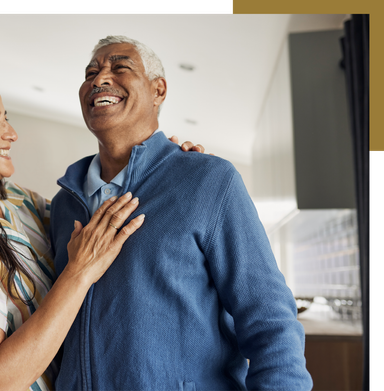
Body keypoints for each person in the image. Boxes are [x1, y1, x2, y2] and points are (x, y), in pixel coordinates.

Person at [0, 71, 201, 391]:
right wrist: (78, 273)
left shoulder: (19, 203)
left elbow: (99, 227)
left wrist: (169, 167)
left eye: (6, 117)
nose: (11, 133)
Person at [49, 36, 313, 390]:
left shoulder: (210, 180)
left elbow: (271, 321)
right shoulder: (64, 204)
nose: (99, 79)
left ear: (158, 91)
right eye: (91, 72)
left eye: (120, 67)